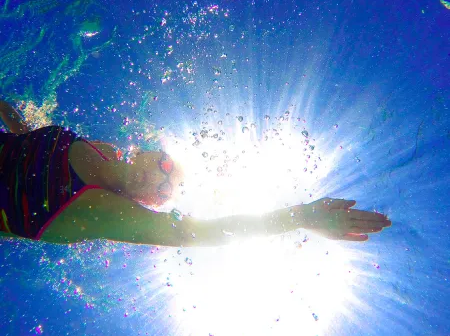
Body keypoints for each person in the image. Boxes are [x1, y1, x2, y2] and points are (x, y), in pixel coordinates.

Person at [0, 100, 391, 246]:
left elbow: (193, 233)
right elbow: (25, 139)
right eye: (168, 168)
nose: (162, 180)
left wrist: (301, 216)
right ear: (148, 152)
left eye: (166, 191)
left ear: (148, 205)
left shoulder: (96, 209)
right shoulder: (94, 148)